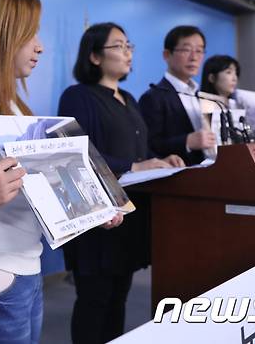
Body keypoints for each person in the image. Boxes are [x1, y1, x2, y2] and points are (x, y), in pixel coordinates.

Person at [0, 0, 123, 344]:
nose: (40, 46)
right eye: (29, 34)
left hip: (26, 272)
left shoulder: (15, 107)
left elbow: (37, 195)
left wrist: (92, 208)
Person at [58, 22, 184, 343]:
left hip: (130, 215)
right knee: (94, 301)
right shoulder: (78, 96)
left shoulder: (128, 97)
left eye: (130, 45)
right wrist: (134, 164)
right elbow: (77, 152)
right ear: (95, 56)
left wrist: (161, 158)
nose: (128, 52)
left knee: (119, 299)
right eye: (119, 46)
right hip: (98, 217)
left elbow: (141, 150)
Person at [139, 25, 216, 165]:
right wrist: (187, 141)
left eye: (199, 51)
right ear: (167, 55)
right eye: (186, 50)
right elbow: (148, 145)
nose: (194, 57)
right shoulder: (153, 97)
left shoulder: (204, 96)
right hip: (177, 177)